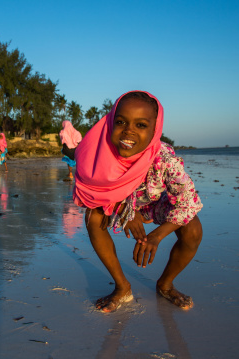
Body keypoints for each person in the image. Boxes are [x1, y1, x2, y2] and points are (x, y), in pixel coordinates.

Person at [73, 91, 203, 313]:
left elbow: (188, 202)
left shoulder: (165, 158)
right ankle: (122, 287)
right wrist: (125, 210)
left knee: (193, 229)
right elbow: (91, 192)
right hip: (119, 204)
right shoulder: (99, 151)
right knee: (93, 215)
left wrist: (156, 236)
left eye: (141, 125)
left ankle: (165, 284)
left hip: (154, 203)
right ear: (110, 122)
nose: (128, 131)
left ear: (155, 130)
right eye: (121, 122)